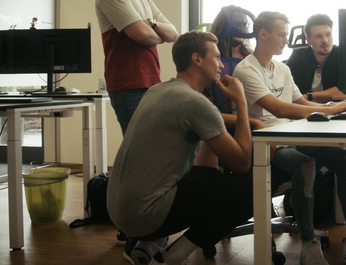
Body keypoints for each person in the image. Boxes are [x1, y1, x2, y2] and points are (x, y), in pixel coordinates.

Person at [232, 11, 346, 265]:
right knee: (306, 165)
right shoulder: (246, 70)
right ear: (263, 34)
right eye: (282, 35)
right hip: (265, 141)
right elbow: (278, 108)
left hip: (290, 135)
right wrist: (329, 109)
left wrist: (332, 108)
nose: (286, 40)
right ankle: (308, 245)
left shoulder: (282, 69)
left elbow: (300, 102)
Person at [106, 31, 254, 265]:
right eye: (216, 57)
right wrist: (241, 102)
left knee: (209, 179)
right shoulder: (195, 103)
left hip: (119, 211)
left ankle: (148, 245)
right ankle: (171, 257)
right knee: (253, 189)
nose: (221, 65)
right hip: (144, 217)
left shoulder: (158, 90)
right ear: (197, 59)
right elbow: (243, 163)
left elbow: (206, 170)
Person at [95, 0, 179, 137]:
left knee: (151, 145)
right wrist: (155, 33)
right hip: (128, 84)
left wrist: (150, 23)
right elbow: (141, 36)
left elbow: (173, 34)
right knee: (139, 146)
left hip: (151, 81)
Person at [286, 13, 346, 103]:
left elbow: (342, 93)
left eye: (328, 34)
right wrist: (329, 93)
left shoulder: (340, 55)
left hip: (335, 108)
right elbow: (288, 94)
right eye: (318, 36)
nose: (325, 40)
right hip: (303, 109)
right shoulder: (298, 56)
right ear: (308, 40)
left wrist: (308, 96)